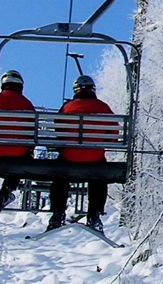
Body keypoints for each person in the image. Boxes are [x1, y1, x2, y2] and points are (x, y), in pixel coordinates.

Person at [48, 75, 114, 232]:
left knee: (59, 176)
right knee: (99, 175)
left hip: (69, 158)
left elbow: (58, 132)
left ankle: (57, 214)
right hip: (94, 159)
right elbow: (113, 135)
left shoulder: (67, 108)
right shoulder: (103, 107)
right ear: (93, 90)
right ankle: (94, 214)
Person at [0, 69, 35, 220]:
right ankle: (6, 192)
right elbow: (31, 132)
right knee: (20, 160)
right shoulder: (27, 105)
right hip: (16, 158)